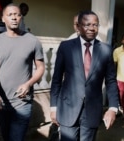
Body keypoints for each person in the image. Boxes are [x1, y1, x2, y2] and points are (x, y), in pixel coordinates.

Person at [50, 10, 119, 141]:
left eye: (95, 25)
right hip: (67, 110)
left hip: (92, 111)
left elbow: (111, 81)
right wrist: (53, 107)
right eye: (87, 25)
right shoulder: (66, 47)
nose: (92, 28)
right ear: (79, 26)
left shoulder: (106, 50)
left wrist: (113, 108)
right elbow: (56, 79)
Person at [0, 3, 45, 141]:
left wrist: (28, 84)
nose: (14, 18)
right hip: (1, 101)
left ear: (21, 18)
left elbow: (41, 67)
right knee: (6, 137)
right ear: (3, 19)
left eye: (17, 15)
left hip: (22, 102)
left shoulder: (32, 41)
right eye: (10, 15)